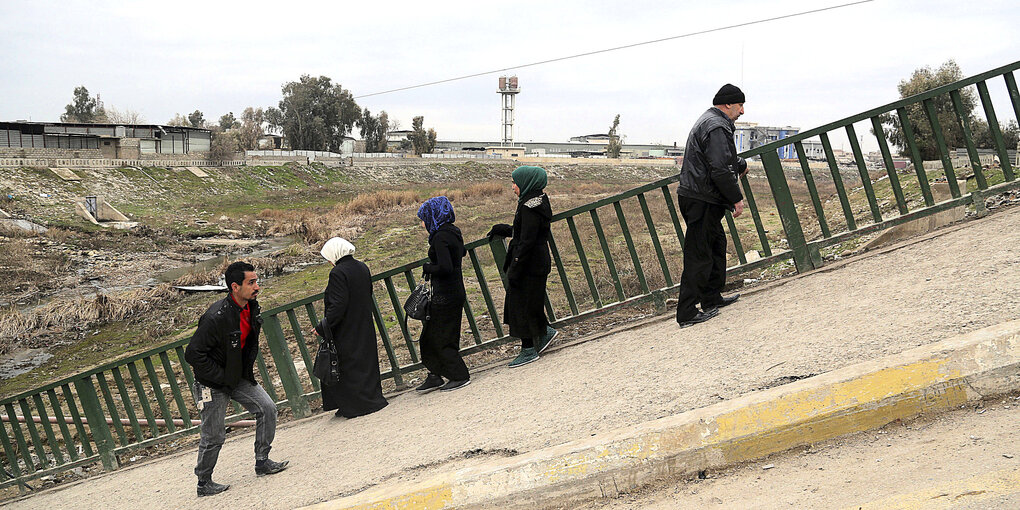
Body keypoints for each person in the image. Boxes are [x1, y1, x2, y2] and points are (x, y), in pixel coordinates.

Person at [184, 261, 289, 497]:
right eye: (251, 283)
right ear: (235, 286)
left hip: (236, 376)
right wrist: (221, 378)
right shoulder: (215, 317)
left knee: (268, 408)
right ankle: (204, 482)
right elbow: (192, 353)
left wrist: (238, 375)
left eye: (256, 281)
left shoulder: (251, 308)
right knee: (214, 435)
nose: (257, 287)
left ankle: (262, 461)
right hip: (211, 382)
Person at [674, 83, 749, 328]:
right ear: (728, 104)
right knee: (699, 254)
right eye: (740, 106)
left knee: (716, 245)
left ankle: (711, 298)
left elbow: (720, 157)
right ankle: (686, 312)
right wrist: (736, 198)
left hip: (699, 195)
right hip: (701, 198)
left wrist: (739, 164)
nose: (742, 112)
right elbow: (718, 167)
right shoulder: (716, 125)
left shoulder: (710, 121)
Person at [487, 165, 560, 368]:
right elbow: (525, 232)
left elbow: (527, 241)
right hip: (535, 262)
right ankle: (545, 333)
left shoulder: (530, 207)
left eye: (514, 182)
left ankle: (528, 350)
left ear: (526, 182)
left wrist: (516, 267)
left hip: (529, 264)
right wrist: (505, 229)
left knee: (520, 306)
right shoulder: (534, 203)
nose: (512, 187)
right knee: (529, 302)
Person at [313, 237, 389, 417]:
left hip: (346, 327)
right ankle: (372, 399)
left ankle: (356, 406)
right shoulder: (361, 266)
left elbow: (338, 304)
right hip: (363, 321)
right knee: (365, 361)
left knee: (349, 365)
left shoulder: (338, 273)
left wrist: (323, 326)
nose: (329, 262)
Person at [413, 196, 471, 393]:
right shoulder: (453, 232)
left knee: (440, 336)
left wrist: (428, 267)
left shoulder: (440, 237)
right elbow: (460, 253)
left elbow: (445, 267)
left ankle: (459, 375)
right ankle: (435, 374)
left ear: (433, 216)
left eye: (423, 219)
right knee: (433, 335)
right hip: (454, 291)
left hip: (445, 294)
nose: (422, 224)